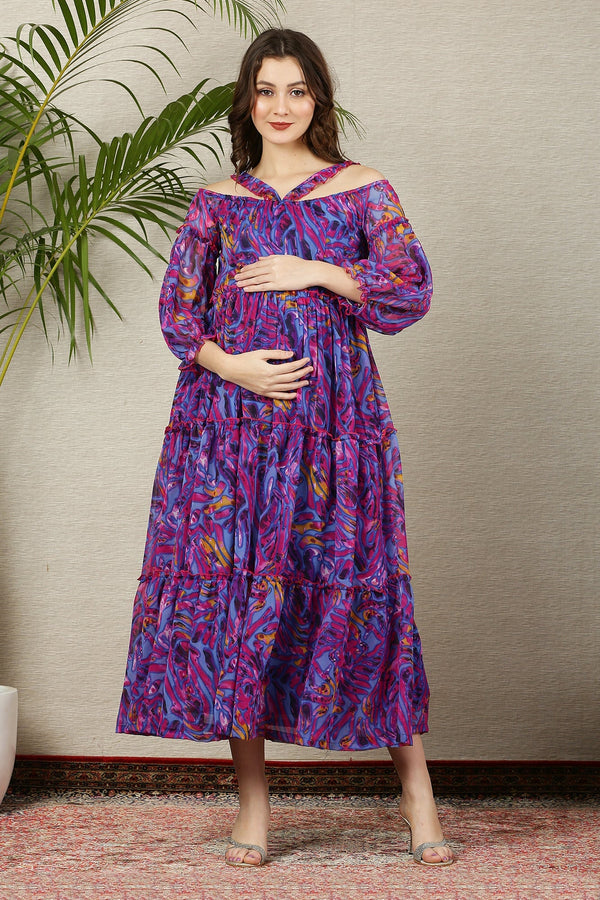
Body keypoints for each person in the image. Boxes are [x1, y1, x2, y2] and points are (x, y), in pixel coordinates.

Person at [116, 27, 455, 868]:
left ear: (318, 100)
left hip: (334, 432)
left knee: (358, 588)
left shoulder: (362, 190)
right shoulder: (216, 202)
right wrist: (232, 366)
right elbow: (177, 313)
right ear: (247, 100)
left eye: (296, 91)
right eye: (265, 90)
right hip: (227, 432)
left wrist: (322, 273)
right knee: (238, 602)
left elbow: (409, 290)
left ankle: (417, 793)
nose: (279, 107)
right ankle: (253, 807)